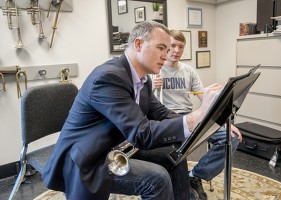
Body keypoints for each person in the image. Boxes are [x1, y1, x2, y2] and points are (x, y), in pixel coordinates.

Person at [42, 21, 223, 200]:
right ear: (138, 44)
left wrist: (203, 121)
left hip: (119, 145)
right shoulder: (109, 77)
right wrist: (195, 116)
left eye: (167, 50)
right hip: (89, 159)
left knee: (175, 156)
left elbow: (160, 112)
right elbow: (142, 133)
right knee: (157, 179)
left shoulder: (143, 79)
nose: (166, 56)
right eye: (161, 48)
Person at [151, 30, 242, 200]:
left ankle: (194, 176)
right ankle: (180, 184)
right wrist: (151, 86)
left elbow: (204, 98)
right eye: (172, 46)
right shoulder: (154, 69)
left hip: (191, 117)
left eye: (181, 47)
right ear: (165, 46)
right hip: (167, 120)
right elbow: (141, 102)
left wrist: (224, 123)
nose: (176, 50)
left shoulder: (188, 71)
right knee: (174, 152)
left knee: (230, 138)